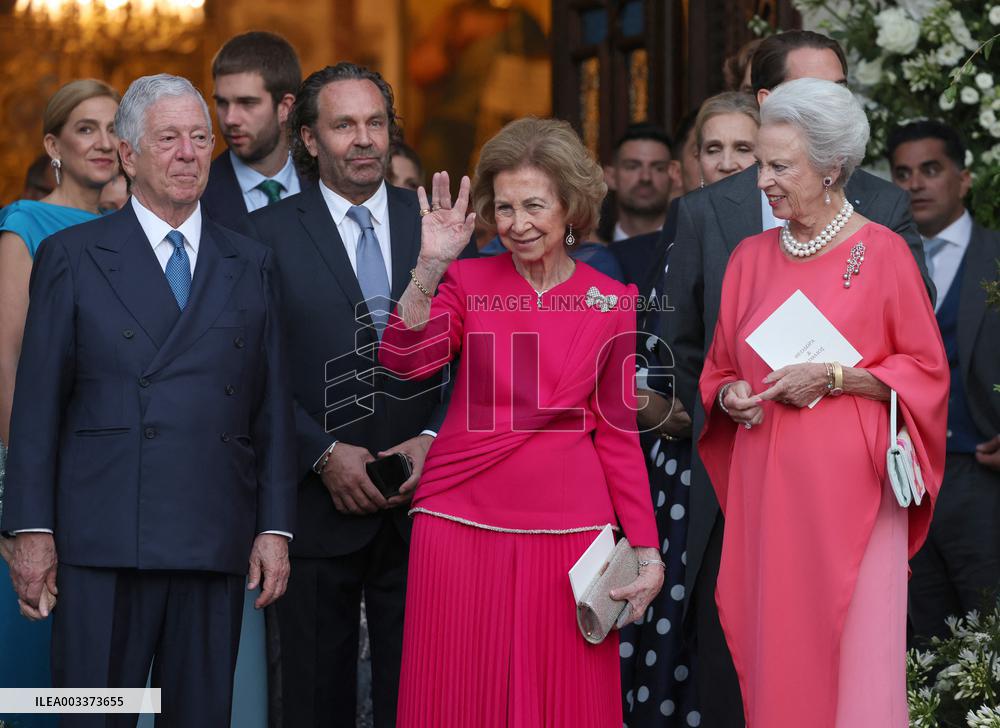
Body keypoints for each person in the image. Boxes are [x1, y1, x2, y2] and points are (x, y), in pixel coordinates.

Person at [1, 73, 296, 727]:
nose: (189, 153)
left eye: (199, 138)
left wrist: (274, 528)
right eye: (169, 138)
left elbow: (270, 407)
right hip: (101, 536)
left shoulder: (249, 262)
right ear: (129, 155)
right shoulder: (68, 256)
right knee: (92, 714)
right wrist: (30, 530)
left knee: (198, 717)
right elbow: (37, 405)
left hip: (212, 532)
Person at [661, 30, 934, 728]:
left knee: (854, 666)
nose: (761, 181)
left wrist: (839, 375)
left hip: (855, 503)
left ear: (831, 167)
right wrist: (729, 395)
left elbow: (925, 372)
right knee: (771, 658)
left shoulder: (884, 253)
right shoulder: (750, 258)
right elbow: (716, 368)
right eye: (760, 162)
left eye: (779, 166)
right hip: (764, 503)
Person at [377, 116, 662, 727]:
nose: (517, 223)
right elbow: (404, 361)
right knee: (456, 700)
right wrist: (428, 266)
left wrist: (645, 547)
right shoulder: (466, 281)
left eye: (534, 204)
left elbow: (617, 435)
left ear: (571, 207)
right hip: (458, 522)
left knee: (564, 704)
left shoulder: (611, 303)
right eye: (503, 208)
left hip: (568, 535)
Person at [249, 62, 447, 728]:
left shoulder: (439, 227)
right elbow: (252, 368)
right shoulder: (261, 237)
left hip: (423, 508)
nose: (363, 139)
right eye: (343, 125)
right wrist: (322, 451)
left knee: (419, 700)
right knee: (310, 701)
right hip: (312, 509)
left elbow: (481, 359)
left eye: (374, 122)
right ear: (308, 138)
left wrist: (432, 440)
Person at [0, 77, 118, 728]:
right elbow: (6, 356)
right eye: (85, 129)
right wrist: (23, 486)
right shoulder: (25, 224)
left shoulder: (129, 228)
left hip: (106, 472)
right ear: (54, 145)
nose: (103, 143)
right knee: (39, 645)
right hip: (43, 475)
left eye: (112, 128)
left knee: (103, 661)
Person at [888, 120, 1000, 641]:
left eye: (930, 170)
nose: (915, 184)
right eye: (903, 173)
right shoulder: (881, 261)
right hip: (904, 479)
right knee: (920, 637)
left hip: (982, 474)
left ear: (965, 178)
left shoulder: (996, 256)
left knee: (989, 628)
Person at [203, 31, 305, 235]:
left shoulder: (328, 183)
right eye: (222, 103)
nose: (230, 118)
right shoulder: (198, 195)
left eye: (247, 103)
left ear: (285, 107)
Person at [604, 123, 675, 241]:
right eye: (632, 167)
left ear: (674, 176)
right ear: (611, 177)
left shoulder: (691, 251)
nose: (645, 177)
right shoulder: (588, 253)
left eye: (658, 168)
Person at [694, 92, 759, 188]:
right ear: (699, 157)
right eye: (713, 151)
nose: (726, 165)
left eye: (743, 150)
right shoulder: (682, 203)